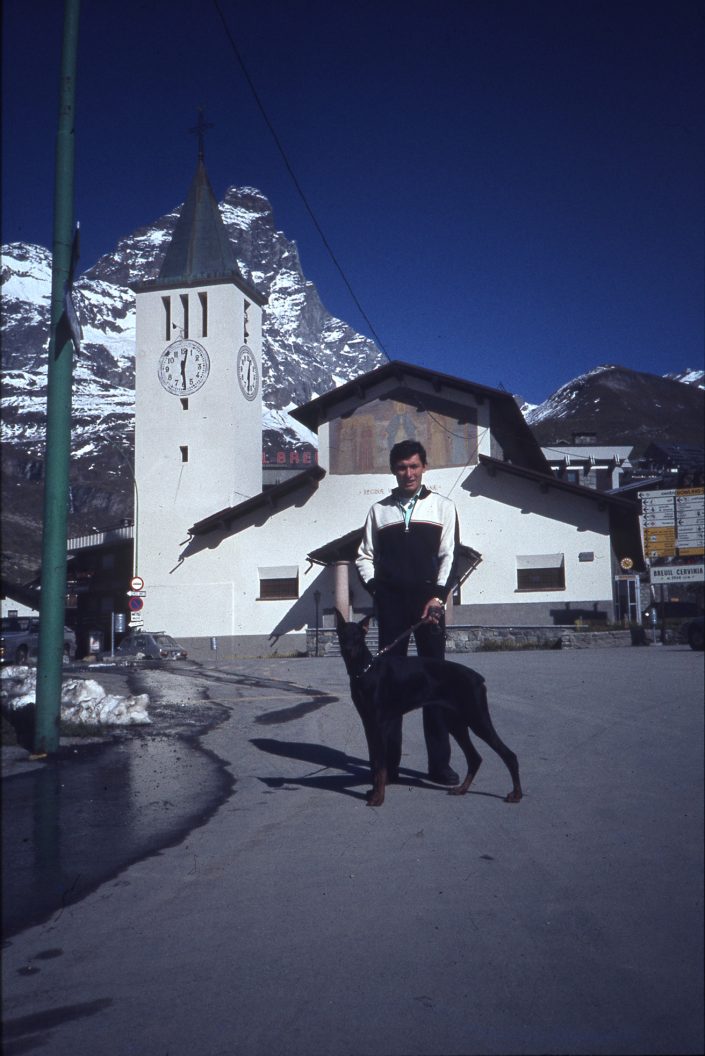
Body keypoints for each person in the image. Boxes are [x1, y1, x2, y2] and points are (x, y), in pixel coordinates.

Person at [355, 439, 459, 785]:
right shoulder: (378, 511)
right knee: (390, 689)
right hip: (392, 606)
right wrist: (377, 591)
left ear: (424, 467)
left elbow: (449, 556)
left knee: (436, 685)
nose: (408, 473)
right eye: (402, 467)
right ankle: (391, 766)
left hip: (428, 605)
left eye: (414, 466)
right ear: (393, 470)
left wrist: (438, 598)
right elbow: (363, 556)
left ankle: (439, 765)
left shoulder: (444, 507)